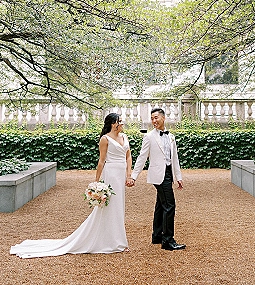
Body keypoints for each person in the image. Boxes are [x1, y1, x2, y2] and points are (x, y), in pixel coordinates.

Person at [10, 113, 132, 258]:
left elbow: (128, 156)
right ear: (113, 124)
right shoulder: (105, 139)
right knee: (109, 206)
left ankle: (118, 240)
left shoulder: (125, 137)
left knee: (119, 206)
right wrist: (97, 181)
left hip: (120, 175)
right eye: (120, 121)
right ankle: (113, 241)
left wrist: (128, 175)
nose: (122, 123)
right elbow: (101, 161)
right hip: (111, 174)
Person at [129, 107, 186, 251]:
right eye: (152, 118)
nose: (154, 121)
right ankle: (168, 241)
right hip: (158, 175)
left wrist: (178, 176)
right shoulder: (149, 137)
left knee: (161, 205)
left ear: (163, 118)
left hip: (168, 173)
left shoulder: (171, 136)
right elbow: (142, 157)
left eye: (156, 118)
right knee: (169, 205)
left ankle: (157, 236)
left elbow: (175, 159)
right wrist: (134, 176)